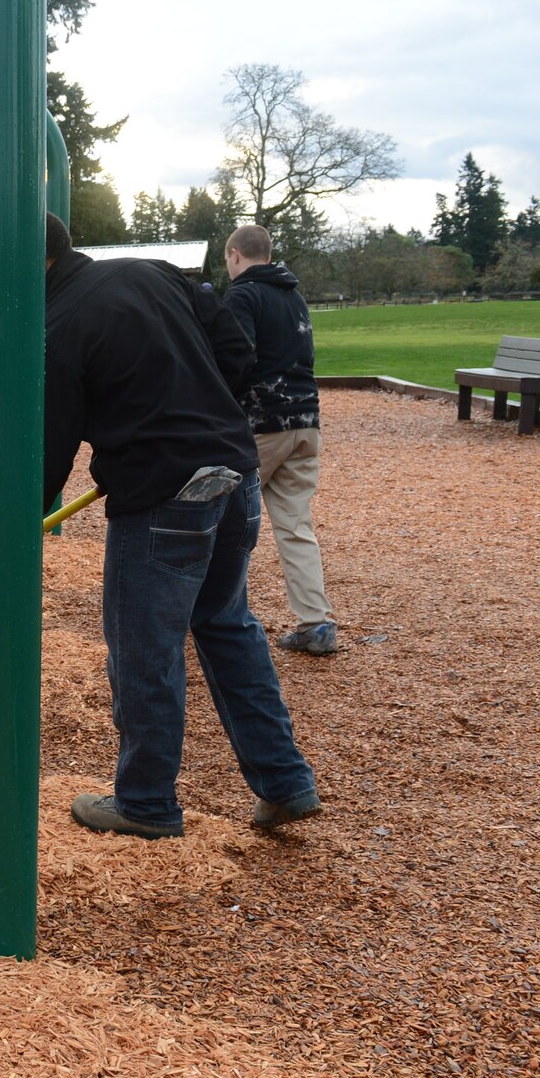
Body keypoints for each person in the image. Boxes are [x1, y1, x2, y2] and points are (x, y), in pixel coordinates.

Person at [41, 213, 321, 839]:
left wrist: (18, 517)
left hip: (164, 496)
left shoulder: (56, 326)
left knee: (146, 648)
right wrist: (199, 411)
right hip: (235, 472)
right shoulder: (155, 272)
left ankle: (145, 803)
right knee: (227, 625)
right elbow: (237, 351)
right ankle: (284, 782)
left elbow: (49, 447)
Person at [224, 224, 336, 656]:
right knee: (294, 526)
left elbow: (237, 358)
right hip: (306, 422)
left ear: (235, 255)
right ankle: (316, 623)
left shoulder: (243, 296)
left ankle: (212, 617)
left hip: (261, 423)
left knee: (221, 520)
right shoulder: (294, 295)